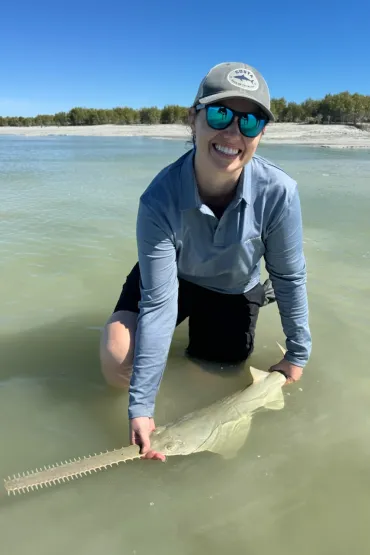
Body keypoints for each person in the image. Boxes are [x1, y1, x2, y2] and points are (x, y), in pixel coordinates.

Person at [100, 61, 312, 460]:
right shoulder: (158, 199)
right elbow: (160, 304)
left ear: (261, 134)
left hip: (232, 287)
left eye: (249, 122)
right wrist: (141, 407)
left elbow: (289, 275)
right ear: (193, 119)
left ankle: (248, 303)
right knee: (116, 361)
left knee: (213, 375)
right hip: (173, 277)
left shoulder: (280, 193)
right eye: (219, 114)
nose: (233, 132)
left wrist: (298, 353)